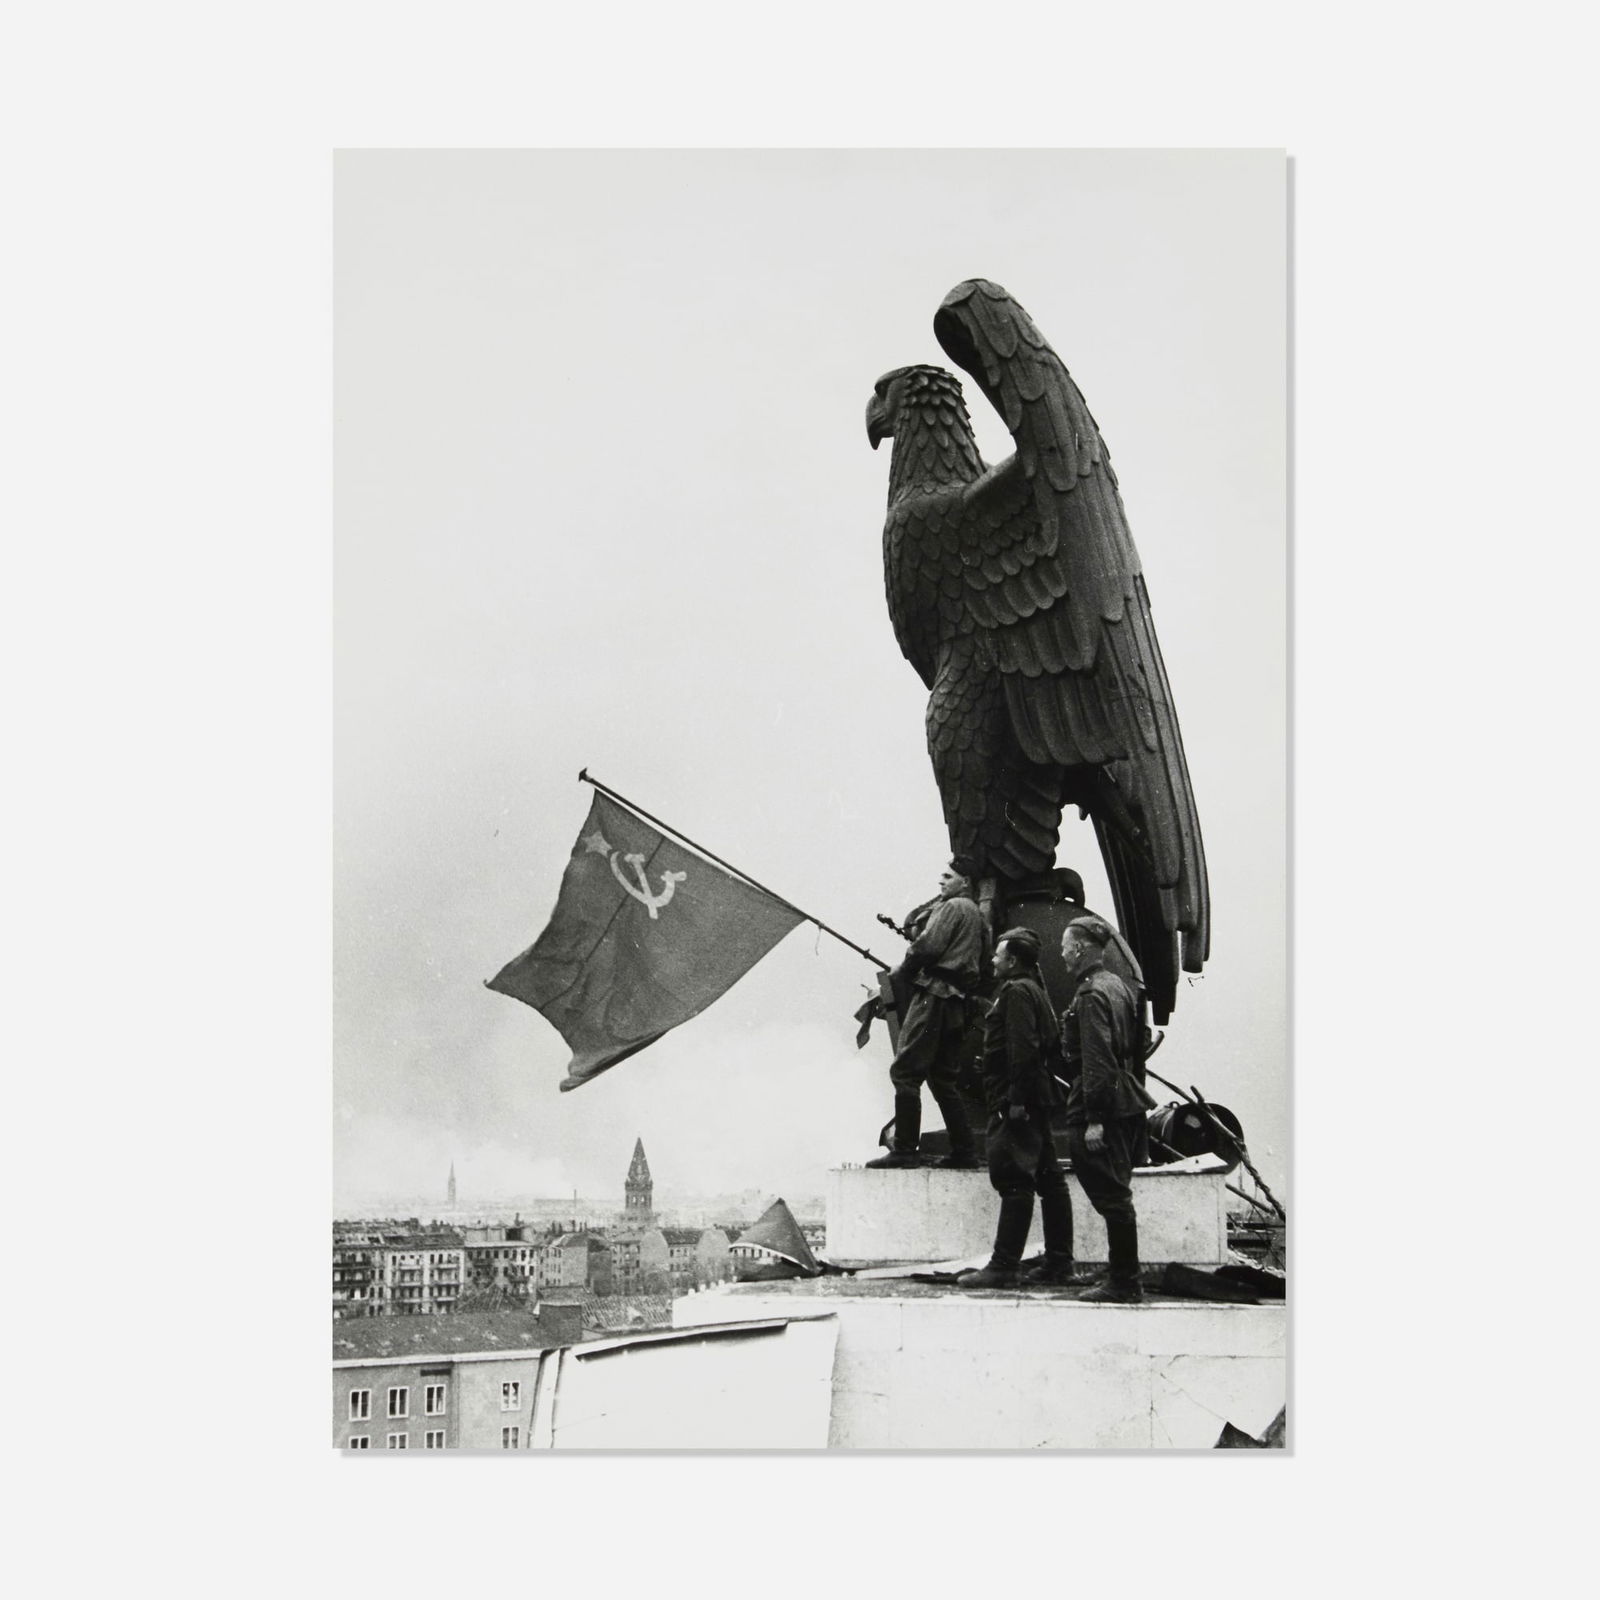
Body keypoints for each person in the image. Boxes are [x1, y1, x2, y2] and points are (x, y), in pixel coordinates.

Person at [957, 927, 1075, 1287]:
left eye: (998, 955)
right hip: (1033, 1097)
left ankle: (1004, 1266)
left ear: (1011, 960)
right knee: (1050, 1179)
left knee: (1014, 1179)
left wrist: (1016, 1100)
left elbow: (1023, 1049)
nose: (993, 960)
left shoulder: (1016, 992)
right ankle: (1058, 1264)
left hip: (1017, 1102)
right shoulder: (1032, 990)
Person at [865, 859, 985, 1169]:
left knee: (905, 1071)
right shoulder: (976, 914)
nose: (941, 881)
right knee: (944, 1079)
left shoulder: (952, 907)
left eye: (948, 876)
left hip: (934, 996)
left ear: (965, 882)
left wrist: (902, 971)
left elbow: (927, 947)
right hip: (957, 1001)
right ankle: (965, 1152)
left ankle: (905, 1149)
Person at [1059, 914, 1153, 1303]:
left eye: (1066, 948)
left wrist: (1094, 1119)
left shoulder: (1091, 994)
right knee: (1117, 1191)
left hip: (1102, 1103)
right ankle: (1122, 1274)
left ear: (1080, 949)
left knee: (1111, 1196)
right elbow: (1140, 1041)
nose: (1063, 955)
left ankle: (1124, 1282)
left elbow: (1096, 1059)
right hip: (1127, 1099)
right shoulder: (1118, 985)